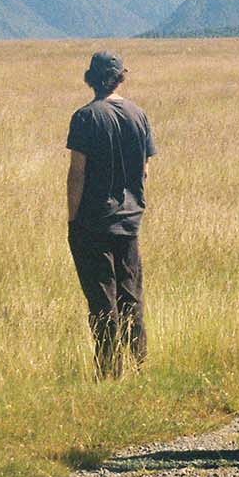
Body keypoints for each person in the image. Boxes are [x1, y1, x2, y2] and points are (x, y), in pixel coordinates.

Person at [65, 51, 156, 379]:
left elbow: (77, 173)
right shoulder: (139, 115)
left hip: (93, 223)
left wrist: (73, 220)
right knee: (131, 296)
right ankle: (139, 366)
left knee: (103, 301)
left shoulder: (85, 117)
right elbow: (144, 171)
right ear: (121, 77)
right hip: (129, 221)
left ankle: (108, 371)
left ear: (91, 79)